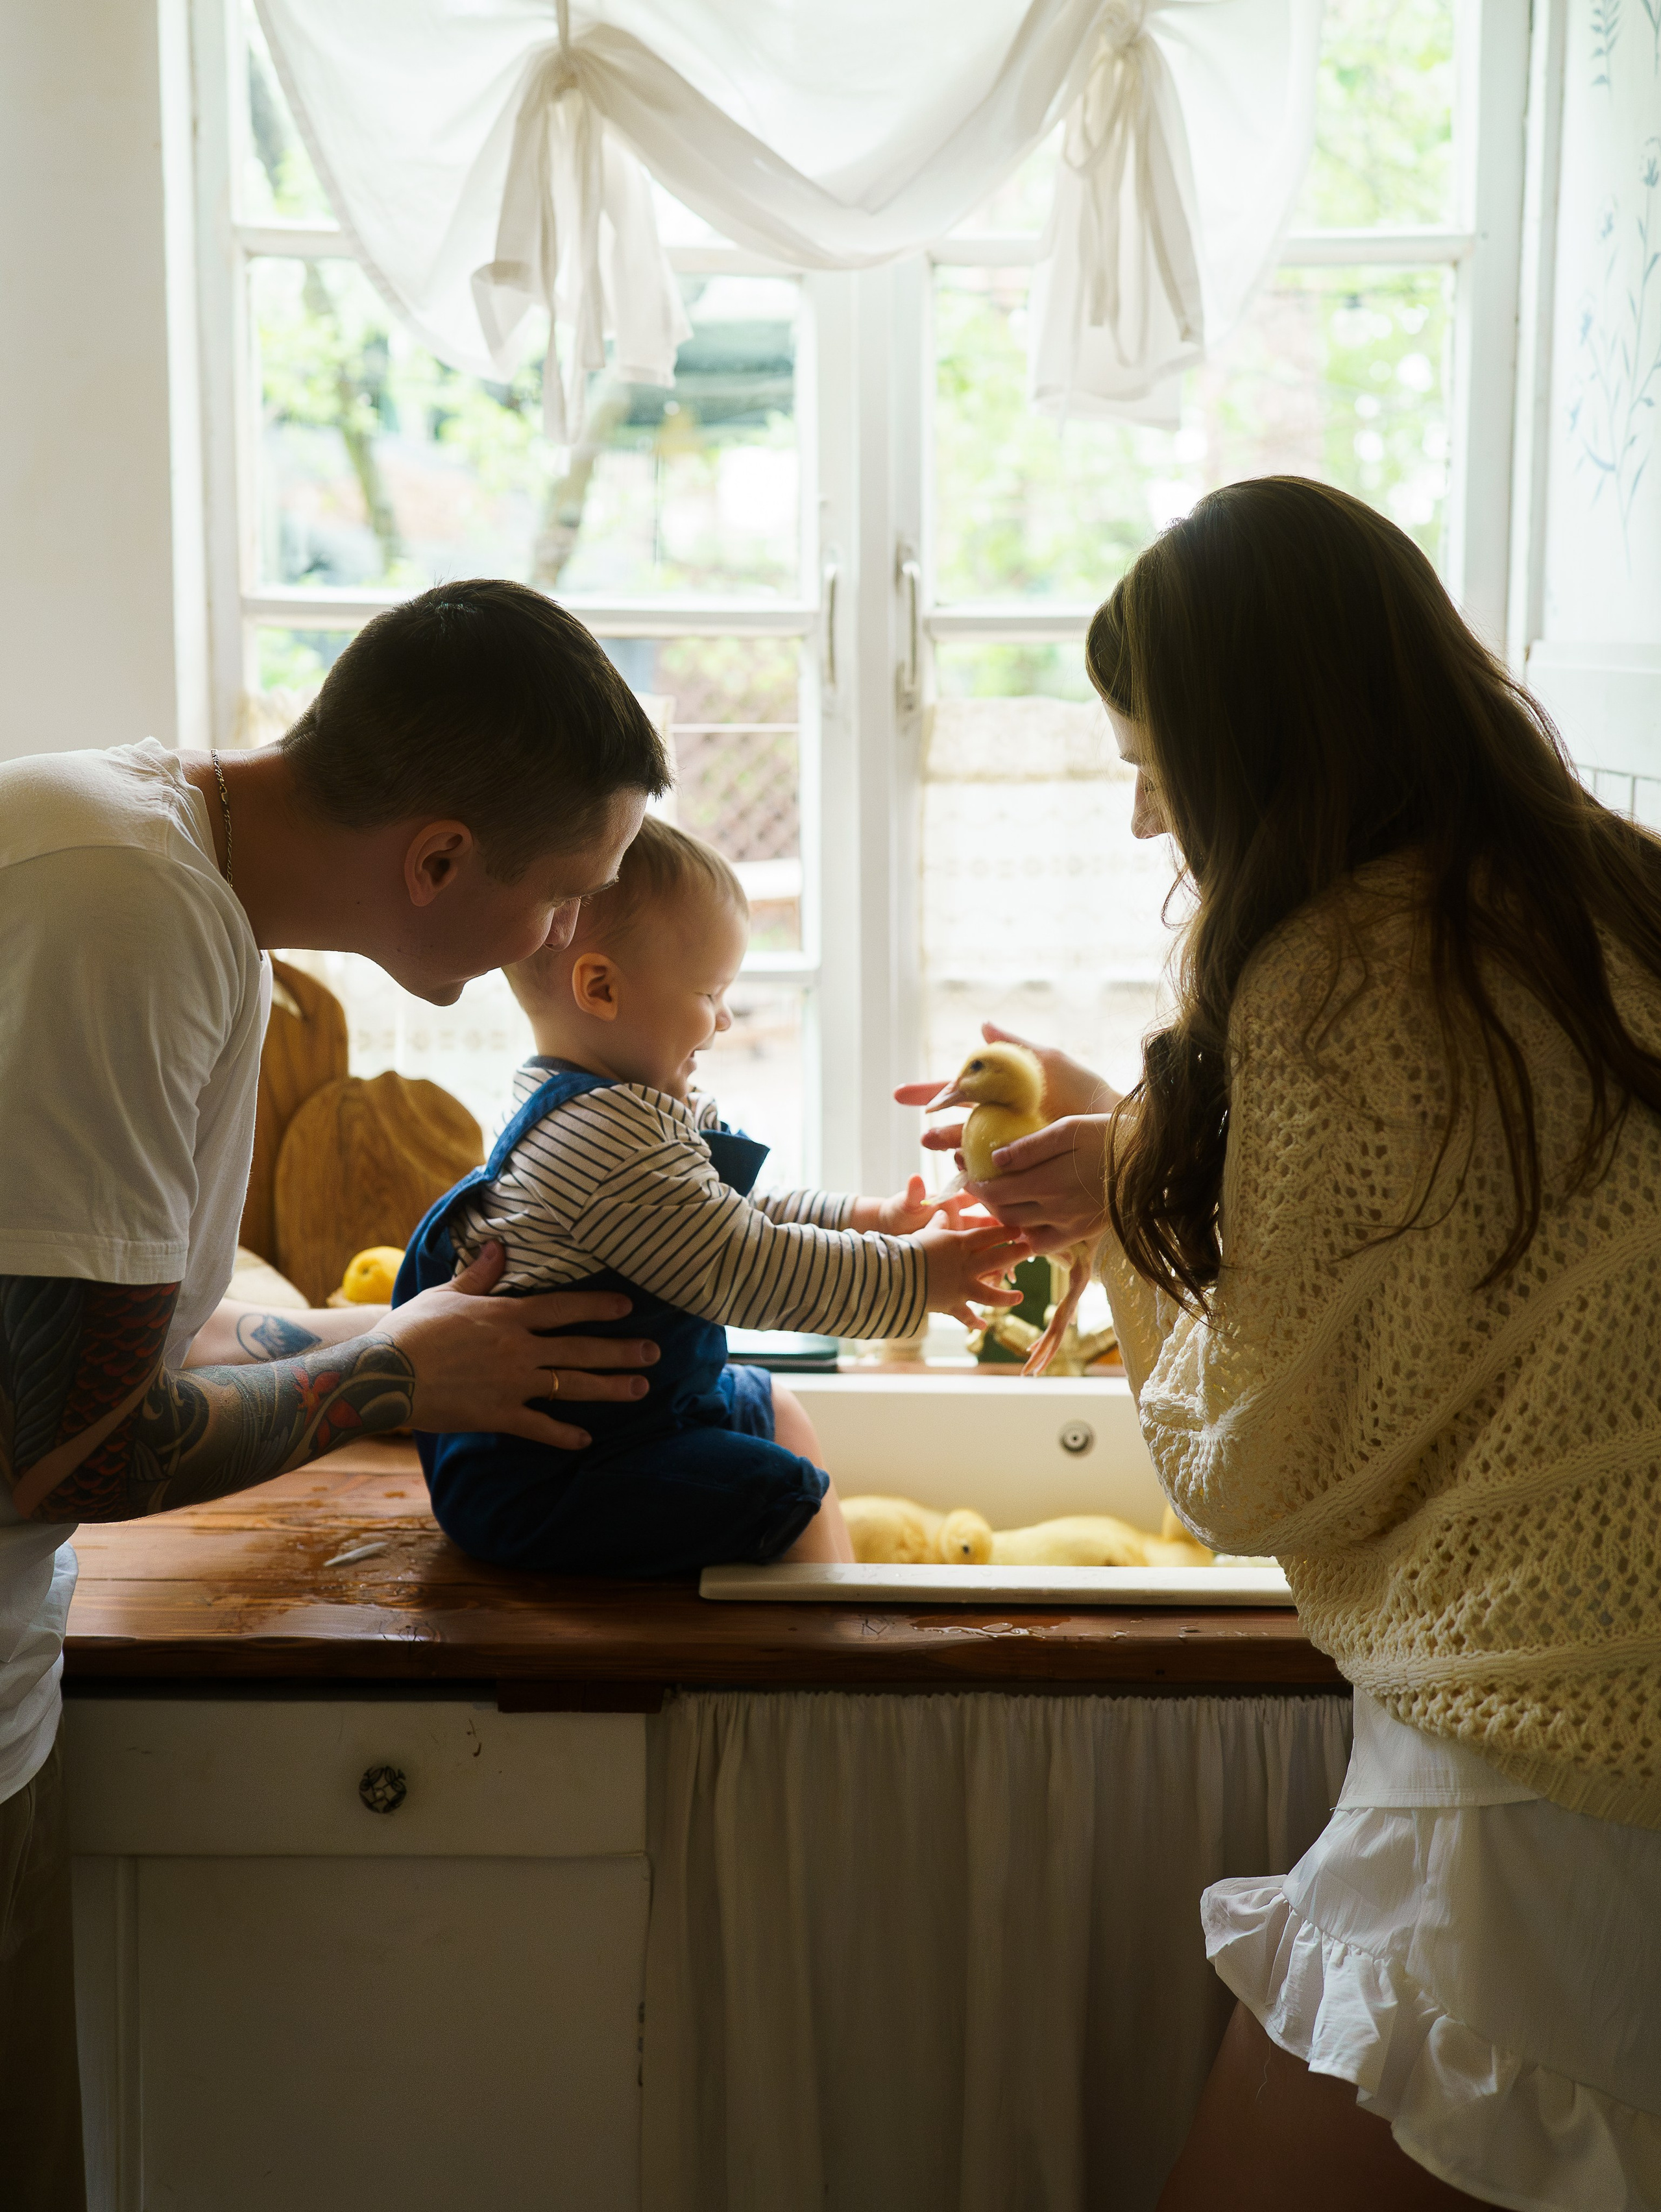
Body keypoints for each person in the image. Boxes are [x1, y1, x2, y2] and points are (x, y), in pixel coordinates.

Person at [901, 479, 1661, 2211]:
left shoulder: (1331, 970)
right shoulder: (1616, 899)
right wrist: (1158, 1129)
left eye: (1150, 760)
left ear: (1256, 741)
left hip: (1537, 1774)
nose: (1146, 814)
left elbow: (1247, 1460)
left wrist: (1117, 1222)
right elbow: (1478, 1225)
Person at [0, 579, 680, 2209]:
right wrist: (387, 1375)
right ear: (438, 858)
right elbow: (41, 1454)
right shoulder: (121, 909)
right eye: (564, 893)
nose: (568, 940)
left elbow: (133, 1366)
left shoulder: (172, 885)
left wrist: (398, 1339)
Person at [396, 813, 1023, 1575]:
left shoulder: (627, 1107)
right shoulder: (599, 1138)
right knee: (782, 1493)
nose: (725, 1020)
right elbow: (745, 1264)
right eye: (710, 993)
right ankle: (841, 1658)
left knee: (774, 1406)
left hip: (630, 1421)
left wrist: (868, 1221)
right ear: (600, 987)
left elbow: (725, 1221)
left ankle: (837, 1593)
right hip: (547, 1477)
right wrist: (918, 1277)